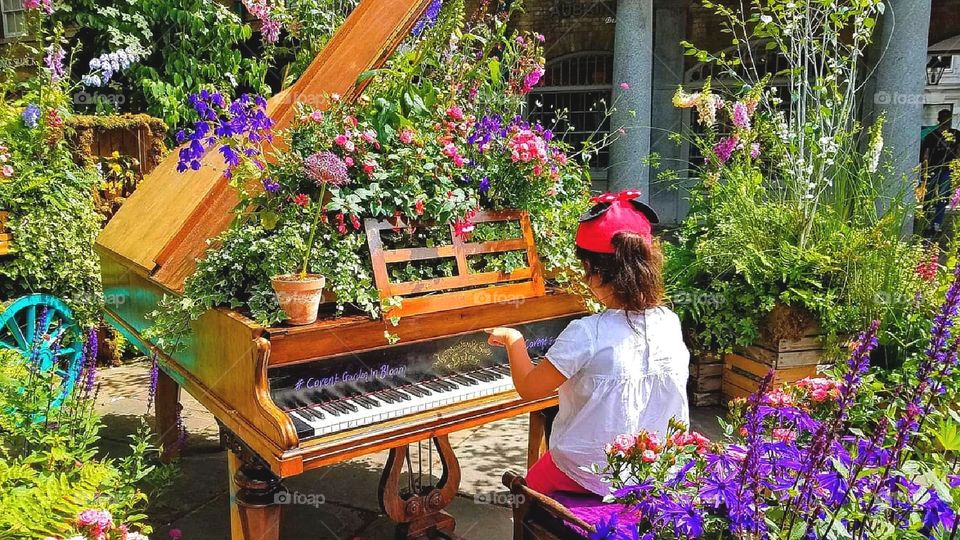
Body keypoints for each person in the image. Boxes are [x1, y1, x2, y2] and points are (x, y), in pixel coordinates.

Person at [486, 191, 690, 496]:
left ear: (596, 273)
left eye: (585, 270)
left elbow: (529, 388)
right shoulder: (669, 321)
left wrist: (514, 339)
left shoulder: (587, 332)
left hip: (590, 475)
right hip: (656, 467)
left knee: (528, 490)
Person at [921, 109, 960, 234]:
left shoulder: (956, 134)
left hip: (948, 169)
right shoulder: (931, 136)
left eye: (948, 118)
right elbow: (925, 155)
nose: (946, 121)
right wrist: (925, 172)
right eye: (943, 118)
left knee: (943, 197)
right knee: (929, 196)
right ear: (938, 119)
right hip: (934, 169)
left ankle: (936, 224)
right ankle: (925, 223)